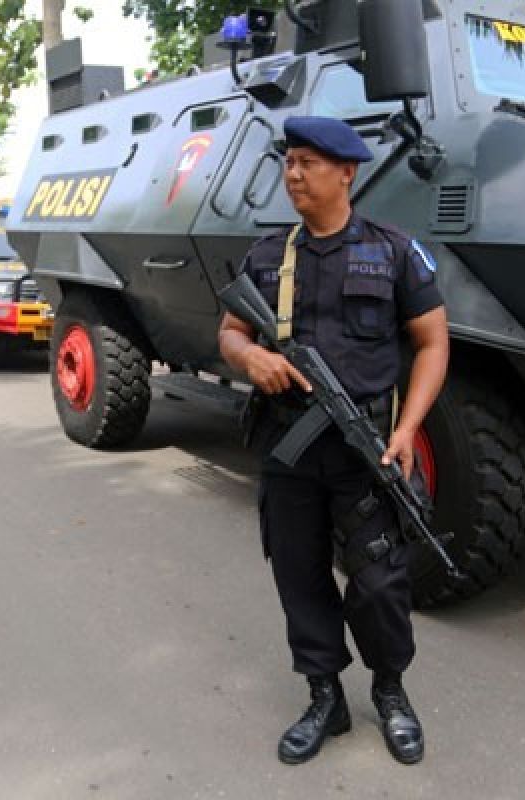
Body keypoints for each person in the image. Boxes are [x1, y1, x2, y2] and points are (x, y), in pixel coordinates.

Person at [218, 116, 449, 766]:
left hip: (368, 446)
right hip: (286, 445)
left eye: (308, 163)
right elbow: (231, 330)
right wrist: (247, 357)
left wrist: (407, 430)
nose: (293, 174)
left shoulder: (395, 251)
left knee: (380, 582)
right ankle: (324, 695)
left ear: (346, 172)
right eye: (288, 162)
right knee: (299, 574)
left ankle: (390, 689)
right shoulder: (267, 256)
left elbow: (434, 344)